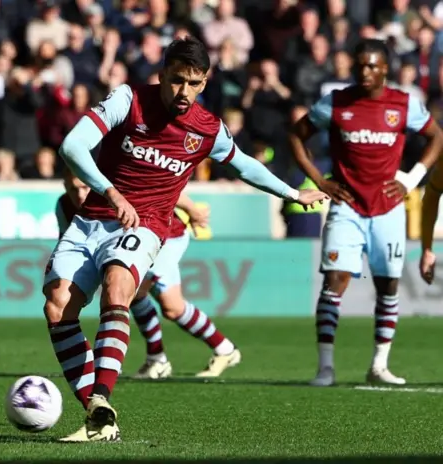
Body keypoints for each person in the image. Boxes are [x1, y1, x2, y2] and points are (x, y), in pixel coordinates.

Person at [44, 36, 327, 443]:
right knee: (57, 308)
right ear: (162, 75)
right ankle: (97, 414)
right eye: (177, 81)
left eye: (194, 83)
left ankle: (103, 394)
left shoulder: (207, 129)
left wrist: (294, 193)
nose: (184, 92)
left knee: (118, 286)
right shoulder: (128, 100)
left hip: (145, 225)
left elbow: (245, 165)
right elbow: (72, 145)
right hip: (93, 219)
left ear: (205, 83)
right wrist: (110, 192)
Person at [289, 39, 443, 388]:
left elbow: (437, 137)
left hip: (388, 208)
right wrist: (320, 180)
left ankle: (379, 364)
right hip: (346, 207)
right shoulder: (336, 102)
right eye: (360, 65)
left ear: (385, 68)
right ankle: (325, 368)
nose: (365, 72)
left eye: (372, 66)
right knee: (334, 282)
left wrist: (411, 178)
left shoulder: (404, 104)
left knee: (388, 286)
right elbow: (297, 136)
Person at [56, 169, 241, 380]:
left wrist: (192, 209)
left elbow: (161, 186)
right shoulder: (64, 206)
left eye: (85, 187)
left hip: (166, 236)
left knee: (136, 291)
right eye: (73, 189)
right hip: (132, 243)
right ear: (64, 185)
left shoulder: (114, 189)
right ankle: (223, 349)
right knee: (172, 307)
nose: (80, 195)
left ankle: (158, 359)